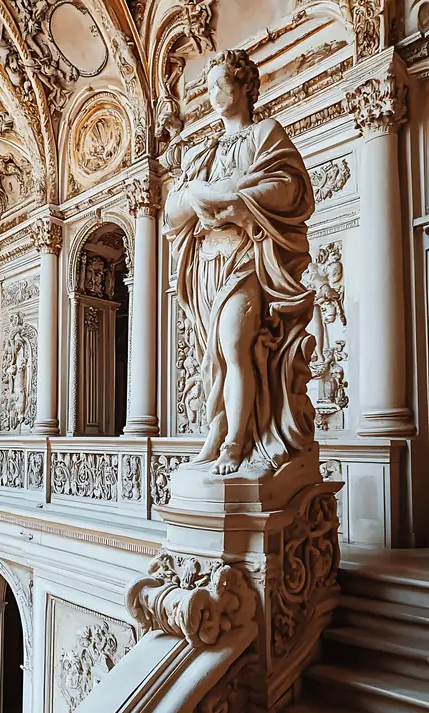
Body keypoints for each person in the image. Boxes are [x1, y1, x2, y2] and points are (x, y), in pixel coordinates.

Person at [163, 49, 316, 475]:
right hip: (206, 265)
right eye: (208, 86)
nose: (212, 94)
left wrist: (234, 195)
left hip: (247, 257)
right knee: (212, 357)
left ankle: (235, 442)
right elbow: (171, 214)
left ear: (245, 86)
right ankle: (218, 431)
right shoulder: (199, 152)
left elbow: (290, 187)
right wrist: (195, 195)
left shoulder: (264, 133)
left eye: (220, 84)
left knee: (234, 344)